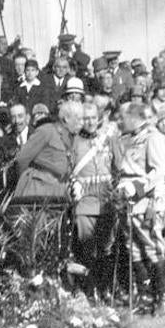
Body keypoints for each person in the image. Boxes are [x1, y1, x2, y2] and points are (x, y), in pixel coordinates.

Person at [115, 101, 165, 316]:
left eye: (123, 117)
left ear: (135, 118)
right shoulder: (127, 140)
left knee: (152, 247)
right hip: (128, 201)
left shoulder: (154, 138)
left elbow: (159, 170)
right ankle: (145, 296)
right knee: (134, 249)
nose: (120, 121)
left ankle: (163, 299)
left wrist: (136, 187)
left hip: (147, 200)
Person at [70, 101, 120, 300]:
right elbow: (68, 169)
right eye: (85, 118)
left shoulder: (109, 139)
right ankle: (90, 290)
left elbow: (119, 166)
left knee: (106, 247)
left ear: (99, 118)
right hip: (84, 202)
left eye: (93, 118)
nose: (90, 122)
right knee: (87, 248)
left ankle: (105, 288)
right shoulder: (74, 141)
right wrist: (74, 185)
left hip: (106, 200)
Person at [12, 100, 83, 200]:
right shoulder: (46, 131)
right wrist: (25, 182)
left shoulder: (74, 139)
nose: (82, 123)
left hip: (58, 190)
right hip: (37, 189)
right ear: (66, 119)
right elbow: (22, 159)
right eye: (79, 119)